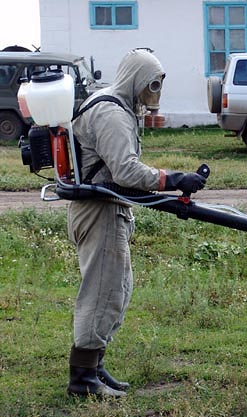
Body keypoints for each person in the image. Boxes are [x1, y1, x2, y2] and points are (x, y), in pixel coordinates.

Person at [67, 49, 207, 397]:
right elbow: (126, 170)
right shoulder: (112, 113)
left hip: (108, 208)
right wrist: (174, 179)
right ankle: (82, 379)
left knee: (117, 291)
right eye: (150, 85)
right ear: (136, 80)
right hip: (99, 212)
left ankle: (95, 366)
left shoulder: (111, 104)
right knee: (101, 295)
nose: (153, 94)